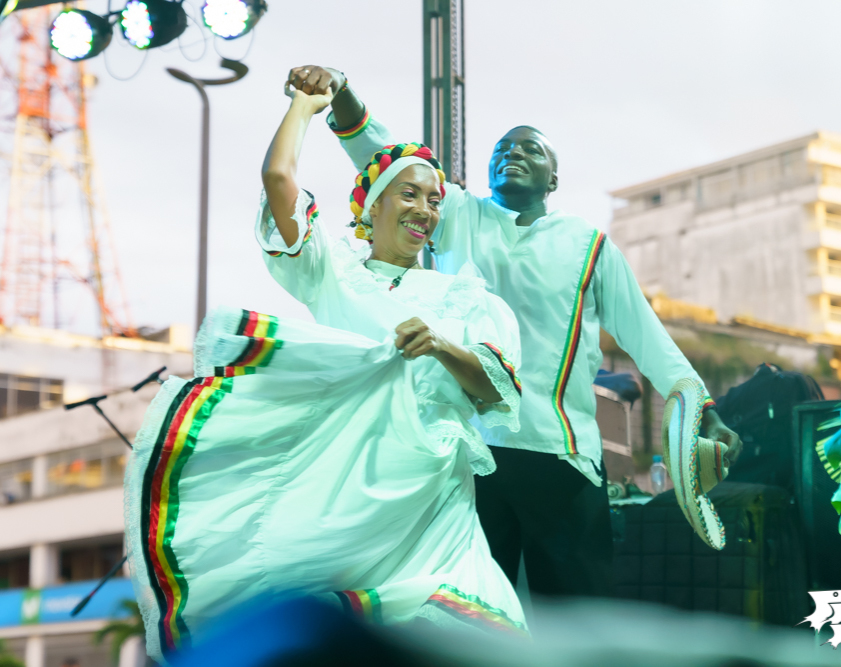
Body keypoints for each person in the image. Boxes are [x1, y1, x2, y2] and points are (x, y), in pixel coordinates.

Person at [287, 66, 744, 599]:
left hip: (563, 456)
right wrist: (340, 91)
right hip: (470, 455)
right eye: (503, 148)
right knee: (472, 615)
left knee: (577, 618)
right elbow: (380, 154)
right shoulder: (459, 214)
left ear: (554, 179)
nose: (514, 153)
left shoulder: (588, 243)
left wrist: (701, 406)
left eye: (532, 150)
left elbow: (646, 336)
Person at [123, 78, 527, 663]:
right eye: (409, 195)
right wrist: (303, 108)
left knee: (482, 621)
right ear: (372, 204)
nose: (425, 210)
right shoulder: (332, 269)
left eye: (435, 200)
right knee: (337, 631)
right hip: (340, 485)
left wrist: (440, 344)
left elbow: (497, 391)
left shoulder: (468, 298)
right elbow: (279, 182)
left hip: (434, 493)